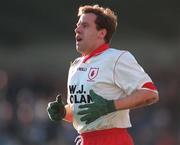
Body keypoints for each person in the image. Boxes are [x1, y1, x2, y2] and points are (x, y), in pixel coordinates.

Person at [47, 4, 159, 145]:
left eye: (85, 26)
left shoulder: (117, 58)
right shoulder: (75, 65)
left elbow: (150, 93)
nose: (77, 29)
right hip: (84, 140)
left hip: (112, 139)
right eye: (77, 25)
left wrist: (109, 106)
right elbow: (82, 113)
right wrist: (63, 112)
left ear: (102, 33)